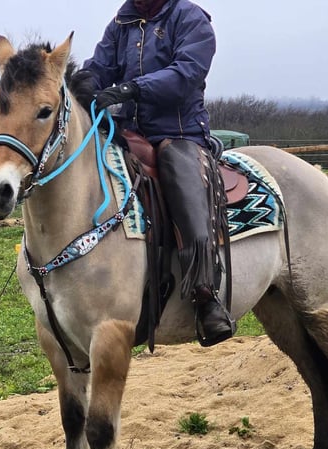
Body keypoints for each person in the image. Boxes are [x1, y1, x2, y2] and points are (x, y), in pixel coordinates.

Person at [80, 0, 235, 346]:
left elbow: (186, 73)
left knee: (181, 181)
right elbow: (99, 66)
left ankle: (206, 294)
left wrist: (134, 88)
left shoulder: (190, 18)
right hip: (127, 129)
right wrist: (85, 83)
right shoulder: (122, 22)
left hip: (178, 134)